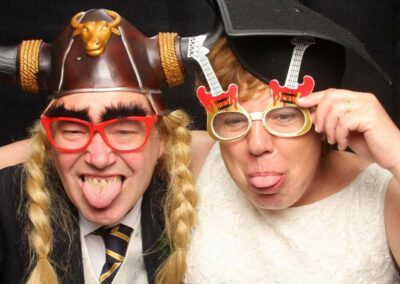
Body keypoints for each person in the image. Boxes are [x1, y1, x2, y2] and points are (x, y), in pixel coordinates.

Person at [182, 0, 400, 283]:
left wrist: (397, 153)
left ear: (321, 118)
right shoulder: (197, 158)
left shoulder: (386, 196)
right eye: (234, 120)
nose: (257, 144)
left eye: (284, 117)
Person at [0, 9, 198, 284]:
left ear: (161, 140)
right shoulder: (7, 207)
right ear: (48, 140)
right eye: (72, 130)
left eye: (125, 130)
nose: (99, 157)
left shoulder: (203, 210)